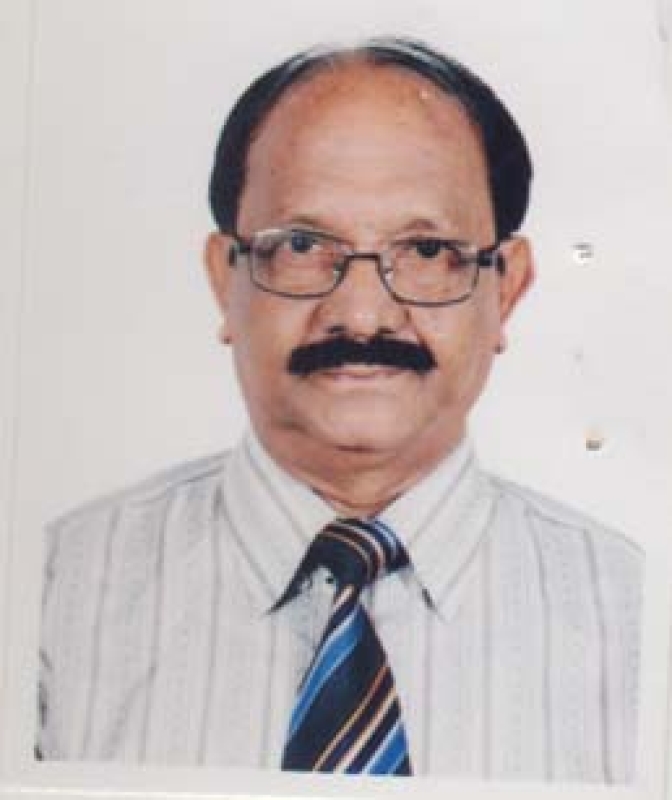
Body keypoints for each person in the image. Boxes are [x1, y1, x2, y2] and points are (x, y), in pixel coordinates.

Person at [37, 37, 642, 781]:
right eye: (301, 245)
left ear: (507, 288)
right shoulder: (52, 597)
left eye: (427, 252)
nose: (362, 314)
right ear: (224, 280)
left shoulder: (633, 617)